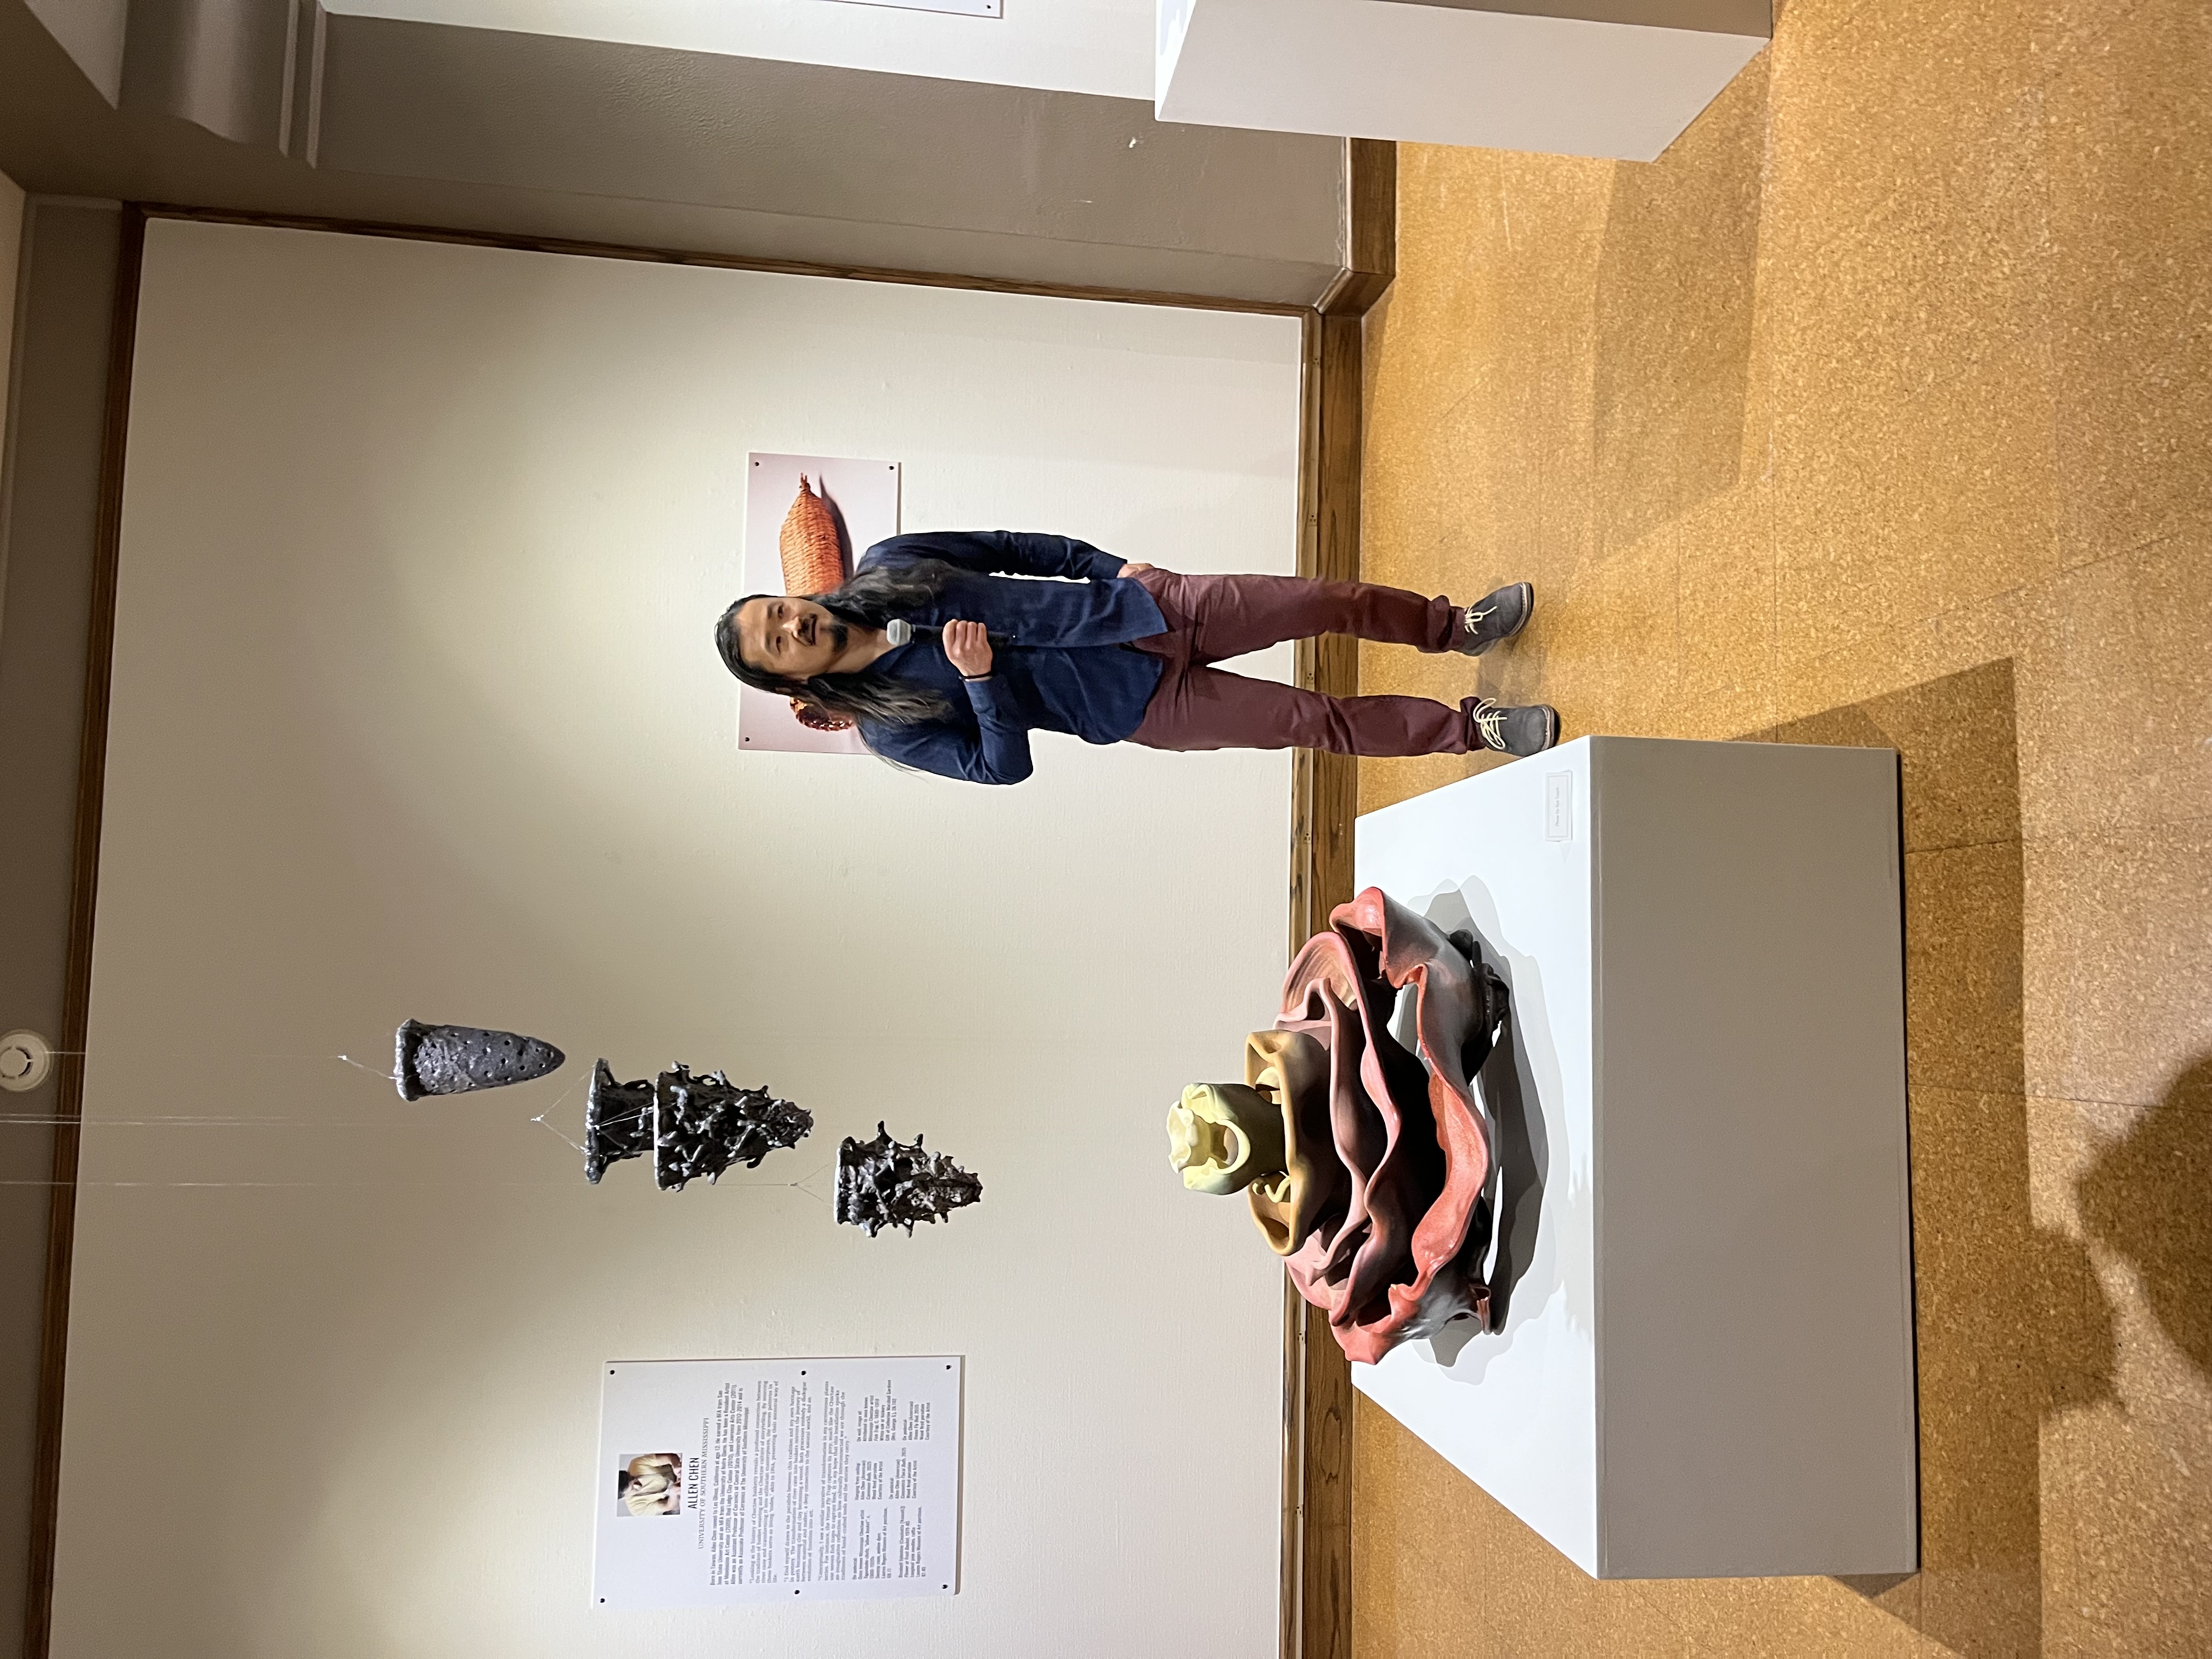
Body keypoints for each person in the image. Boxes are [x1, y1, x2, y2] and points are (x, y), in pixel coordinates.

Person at [714, 531, 1560, 786]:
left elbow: (1016, 546)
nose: (794, 625)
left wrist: (1111, 568)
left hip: (1147, 607)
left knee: (1323, 600)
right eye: (777, 642)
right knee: (1315, 720)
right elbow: (999, 769)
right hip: (1136, 707)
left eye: (780, 611)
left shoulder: (895, 562)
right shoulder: (887, 730)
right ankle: (1470, 729)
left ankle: (1455, 629)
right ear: (788, 677)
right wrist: (980, 687)